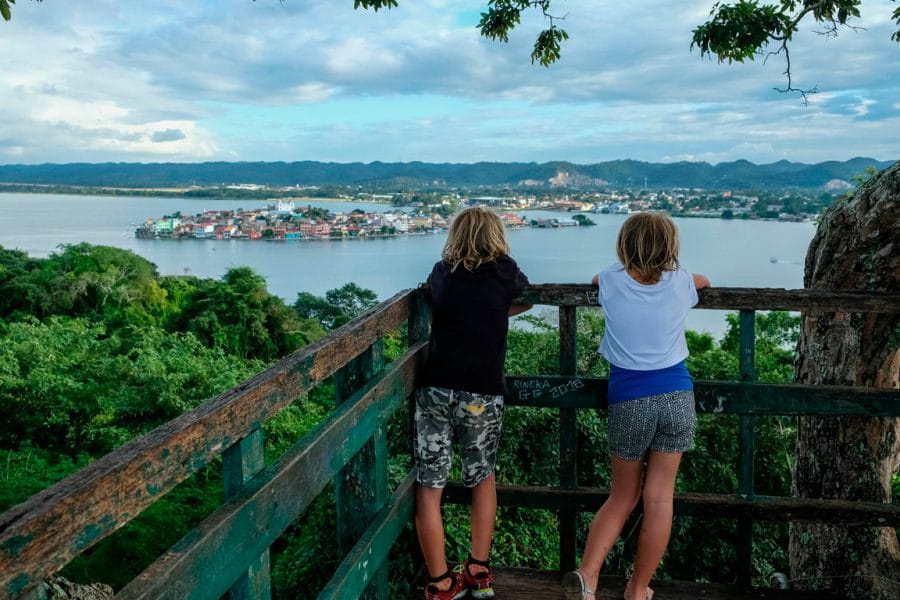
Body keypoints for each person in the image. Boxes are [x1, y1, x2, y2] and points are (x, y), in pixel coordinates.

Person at [563, 212, 710, 600]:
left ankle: (588, 579)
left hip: (630, 399)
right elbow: (705, 281)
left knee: (623, 496)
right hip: (677, 397)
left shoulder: (612, 280)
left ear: (624, 246)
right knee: (659, 498)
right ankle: (638, 588)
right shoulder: (681, 281)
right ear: (670, 246)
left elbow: (596, 279)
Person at [415, 206, 532, 600]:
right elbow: (528, 299)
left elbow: (438, 300)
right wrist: (496, 311)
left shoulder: (441, 272)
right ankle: (478, 570)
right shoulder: (504, 271)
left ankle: (440, 582)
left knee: (430, 484)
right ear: (497, 236)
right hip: (481, 393)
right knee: (482, 478)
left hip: (435, 389)